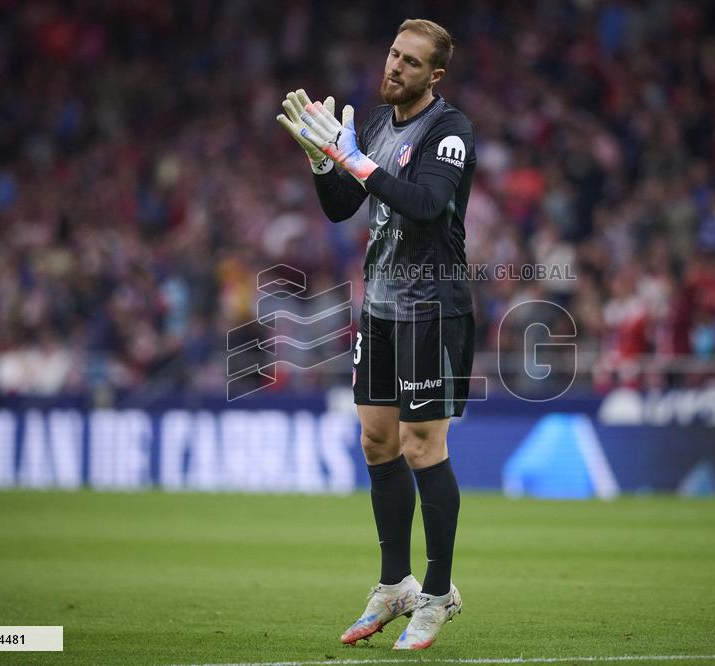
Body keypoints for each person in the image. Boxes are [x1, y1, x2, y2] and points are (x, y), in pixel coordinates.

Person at [277, 18, 475, 651]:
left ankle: (440, 593)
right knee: (376, 441)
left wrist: (354, 160)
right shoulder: (381, 127)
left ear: (434, 76)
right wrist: (321, 161)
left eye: (411, 62)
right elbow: (344, 205)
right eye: (393, 54)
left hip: (433, 308)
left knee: (423, 446)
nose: (395, 68)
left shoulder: (450, 130)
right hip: (382, 308)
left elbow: (426, 207)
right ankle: (395, 584)